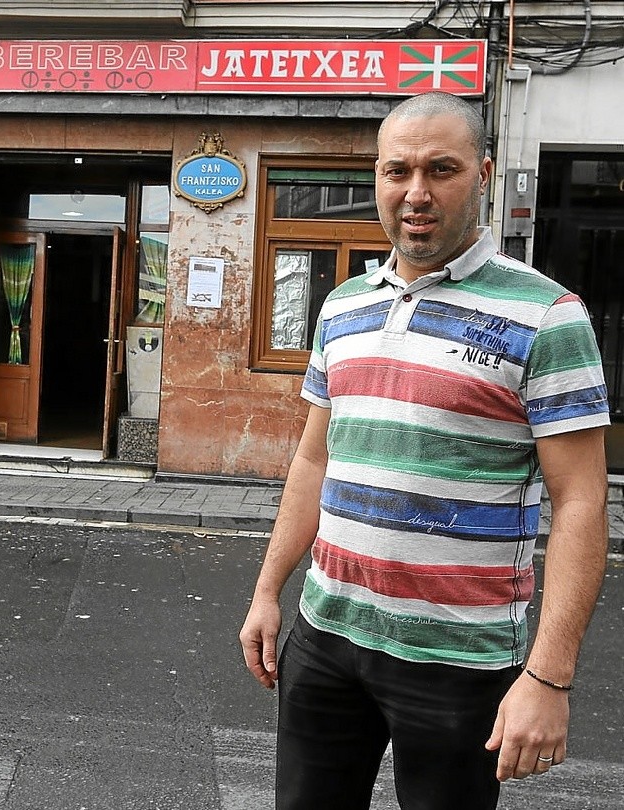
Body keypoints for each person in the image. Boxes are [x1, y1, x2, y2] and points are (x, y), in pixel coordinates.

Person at [239, 91, 609, 810]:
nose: (416, 192)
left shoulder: (548, 316)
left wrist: (549, 675)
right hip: (327, 634)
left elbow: (582, 500)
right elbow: (316, 460)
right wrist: (266, 591)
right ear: (376, 178)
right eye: (396, 170)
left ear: (484, 175)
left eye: (441, 169)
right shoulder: (342, 305)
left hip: (459, 659)